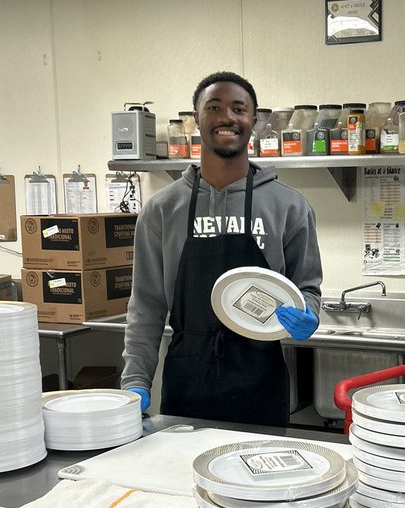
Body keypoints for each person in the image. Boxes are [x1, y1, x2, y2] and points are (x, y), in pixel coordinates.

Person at [122, 71, 322, 426]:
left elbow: (307, 287)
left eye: (238, 109)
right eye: (213, 107)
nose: (227, 117)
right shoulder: (162, 210)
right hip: (186, 383)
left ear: (253, 121)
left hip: (261, 383)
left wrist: (309, 313)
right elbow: (147, 306)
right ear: (197, 119)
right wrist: (135, 381)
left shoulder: (289, 207)